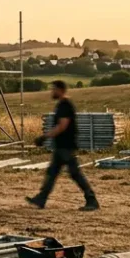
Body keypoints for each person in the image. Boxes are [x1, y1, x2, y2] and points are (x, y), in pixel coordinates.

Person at [27, 80, 99, 211]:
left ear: (60, 90)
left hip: (66, 146)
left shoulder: (65, 105)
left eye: (53, 89)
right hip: (61, 146)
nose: (52, 92)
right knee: (52, 173)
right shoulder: (62, 104)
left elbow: (62, 126)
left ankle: (91, 200)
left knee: (75, 174)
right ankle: (41, 199)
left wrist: (45, 137)